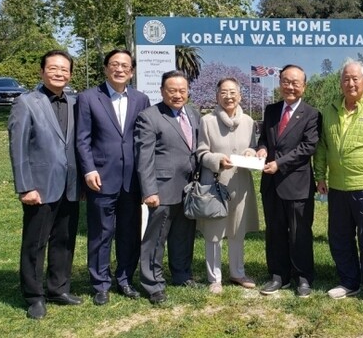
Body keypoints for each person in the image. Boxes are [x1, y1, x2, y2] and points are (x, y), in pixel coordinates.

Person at [314, 58, 363, 310]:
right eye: (346, 79)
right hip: (337, 188)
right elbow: (322, 147)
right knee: (339, 237)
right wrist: (320, 176)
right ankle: (349, 282)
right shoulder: (329, 110)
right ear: (340, 83)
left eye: (355, 79)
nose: (350, 83)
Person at [8, 50, 82, 319]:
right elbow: (18, 149)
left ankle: (58, 288)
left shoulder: (75, 103)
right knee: (35, 243)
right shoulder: (26, 103)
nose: (59, 73)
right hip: (39, 186)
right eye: (53, 68)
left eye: (64, 69)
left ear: (70, 74)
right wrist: (25, 186)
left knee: (64, 239)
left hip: (70, 184)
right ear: (42, 72)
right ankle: (34, 295)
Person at [76, 49, 150, 305]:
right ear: (106, 68)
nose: (120, 69)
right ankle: (100, 283)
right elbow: (82, 139)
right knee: (101, 232)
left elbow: (144, 139)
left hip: (132, 180)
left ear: (131, 72)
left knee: (130, 232)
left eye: (125, 66)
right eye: (114, 65)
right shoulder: (88, 98)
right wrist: (88, 169)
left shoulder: (141, 99)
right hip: (101, 177)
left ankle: (126, 279)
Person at [134, 70, 200, 304]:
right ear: (162, 91)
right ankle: (152, 284)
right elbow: (144, 157)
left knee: (184, 236)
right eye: (172, 90)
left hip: (188, 189)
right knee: (156, 238)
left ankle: (181, 274)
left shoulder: (192, 114)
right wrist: (149, 190)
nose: (178, 95)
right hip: (161, 189)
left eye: (182, 90)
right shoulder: (149, 116)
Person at [257, 64, 320, 298]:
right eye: (285, 81)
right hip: (271, 184)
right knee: (274, 231)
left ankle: (303, 277)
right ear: (280, 83)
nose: (290, 87)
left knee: (299, 232)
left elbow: (308, 147)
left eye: (295, 83)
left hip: (297, 184)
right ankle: (278, 275)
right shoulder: (271, 110)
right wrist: (261, 150)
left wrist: (279, 163)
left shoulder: (312, 114)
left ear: (303, 86)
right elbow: (264, 138)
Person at [196, 77, 260, 294]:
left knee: (237, 230)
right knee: (214, 232)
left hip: (240, 183)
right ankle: (214, 277)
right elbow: (201, 152)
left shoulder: (249, 122)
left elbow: (253, 148)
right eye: (224, 92)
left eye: (233, 92)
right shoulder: (207, 121)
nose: (229, 96)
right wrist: (217, 161)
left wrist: (252, 152)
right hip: (215, 184)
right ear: (217, 96)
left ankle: (238, 272)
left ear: (240, 96)